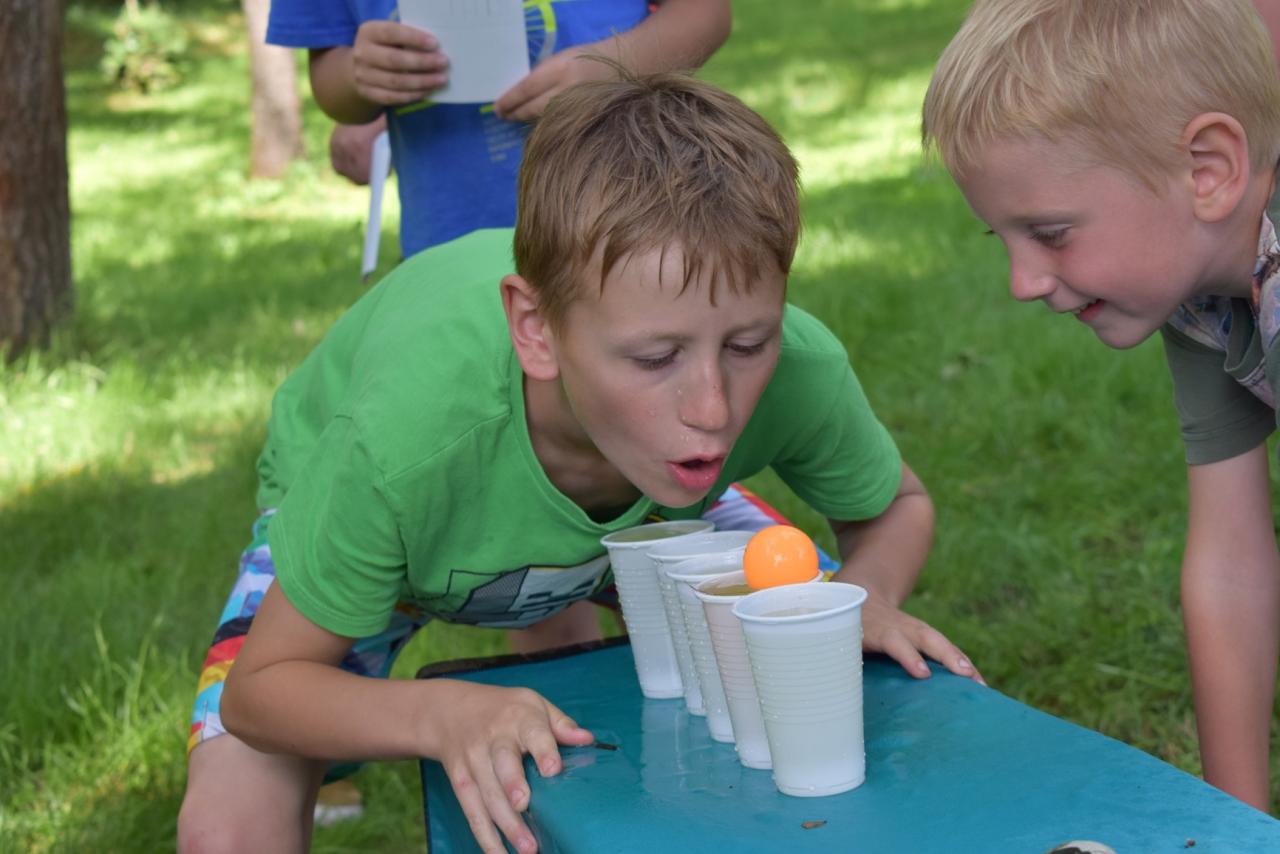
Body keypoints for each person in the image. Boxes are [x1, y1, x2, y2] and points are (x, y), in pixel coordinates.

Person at [177, 70, 981, 853]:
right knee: (227, 830)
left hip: (652, 505)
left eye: (747, 345)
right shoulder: (400, 446)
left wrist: (866, 596)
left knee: (804, 659)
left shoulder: (796, 370)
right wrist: (441, 715)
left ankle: (560, 636)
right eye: (655, 357)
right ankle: (552, 629)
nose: (713, 407)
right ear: (536, 332)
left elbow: (895, 507)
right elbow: (261, 691)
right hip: (393, 523)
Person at [921, 0, 1280, 813]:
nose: (1022, 283)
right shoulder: (1201, 288)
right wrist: (1238, 825)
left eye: (1050, 233)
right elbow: (1230, 564)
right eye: (1004, 241)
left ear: (1207, 171)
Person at [267, 0, 731, 257]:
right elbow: (329, 76)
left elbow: (705, 14)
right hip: (451, 243)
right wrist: (359, 76)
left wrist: (607, 68)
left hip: (629, 227)